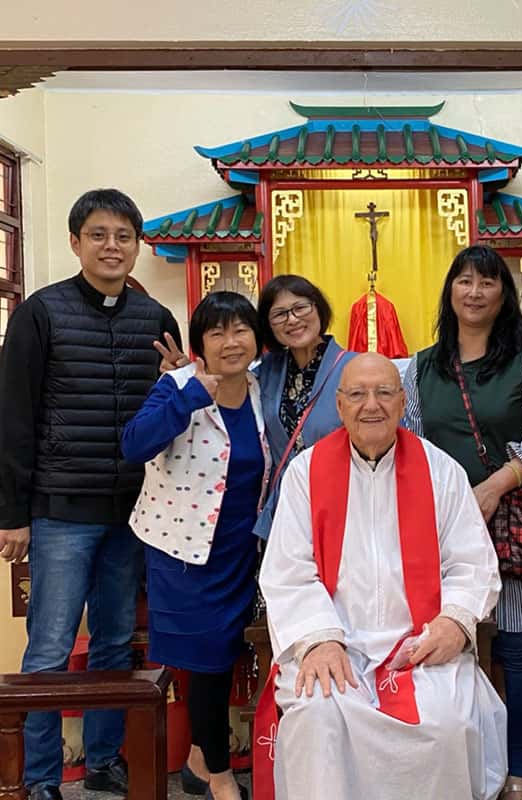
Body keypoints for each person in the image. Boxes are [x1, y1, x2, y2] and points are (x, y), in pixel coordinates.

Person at [0, 188, 181, 800]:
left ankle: (104, 760)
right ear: (76, 243)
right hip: (60, 512)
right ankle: (41, 776)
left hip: (135, 513)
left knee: (113, 640)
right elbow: (13, 417)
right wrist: (12, 513)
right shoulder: (41, 313)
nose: (112, 246)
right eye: (99, 235)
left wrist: (176, 382)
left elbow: (173, 406)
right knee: (50, 645)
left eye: (123, 236)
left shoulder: (154, 317)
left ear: (137, 245)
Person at [259, 353, 507, 800]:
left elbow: (472, 562)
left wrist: (454, 621)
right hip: (338, 646)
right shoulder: (306, 473)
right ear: (339, 405)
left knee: (446, 723)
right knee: (318, 719)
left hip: (417, 645)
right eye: (357, 394)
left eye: (383, 392)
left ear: (402, 400)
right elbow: (288, 570)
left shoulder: (439, 470)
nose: (370, 405)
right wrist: (318, 638)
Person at [403, 244, 522, 800]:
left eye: (487, 283)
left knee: (517, 651)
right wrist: (448, 502)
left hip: (514, 521)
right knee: (452, 644)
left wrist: (496, 485)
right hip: (443, 529)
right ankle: (457, 764)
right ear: (450, 291)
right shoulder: (421, 366)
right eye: (464, 281)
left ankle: (518, 770)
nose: (474, 292)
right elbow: (413, 444)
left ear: (505, 296)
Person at [122, 292, 269, 800]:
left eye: (241, 330)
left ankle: (196, 761)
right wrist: (187, 396)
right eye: (218, 332)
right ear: (199, 344)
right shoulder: (177, 385)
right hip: (182, 553)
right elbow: (135, 444)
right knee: (206, 659)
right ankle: (221, 777)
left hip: (238, 551)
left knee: (223, 656)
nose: (232, 342)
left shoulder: (258, 388)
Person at [157, 274, 354, 540]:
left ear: (318, 308)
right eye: (280, 314)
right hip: (283, 508)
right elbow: (224, 378)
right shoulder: (264, 371)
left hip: (339, 502)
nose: (292, 320)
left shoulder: (355, 369)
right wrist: (186, 371)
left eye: (300, 308)